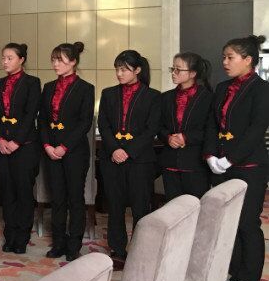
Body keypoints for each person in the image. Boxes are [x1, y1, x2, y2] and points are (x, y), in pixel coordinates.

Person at [204, 35, 268, 281]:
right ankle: (233, 272)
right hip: (221, 164)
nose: (225, 62)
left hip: (249, 165)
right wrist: (210, 155)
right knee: (227, 221)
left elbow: (256, 129)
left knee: (247, 222)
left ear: (248, 59)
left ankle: (248, 280)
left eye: (230, 57)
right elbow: (212, 124)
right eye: (224, 57)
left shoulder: (261, 89)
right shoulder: (222, 88)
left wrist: (230, 158)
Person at [97, 49, 161, 262]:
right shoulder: (108, 94)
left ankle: (140, 250)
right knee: (114, 206)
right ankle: (117, 249)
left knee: (140, 207)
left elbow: (151, 129)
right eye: (117, 69)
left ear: (138, 70)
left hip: (140, 161)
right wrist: (115, 149)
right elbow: (104, 124)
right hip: (112, 158)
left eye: (124, 69)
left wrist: (128, 151)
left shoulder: (153, 96)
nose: (119, 74)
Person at [38, 42, 94, 261]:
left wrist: (64, 147)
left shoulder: (85, 88)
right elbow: (43, 120)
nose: (55, 64)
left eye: (60, 60)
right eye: (53, 59)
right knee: (57, 198)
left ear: (73, 62)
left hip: (74, 152)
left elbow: (84, 123)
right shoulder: (48, 87)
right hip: (51, 151)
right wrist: (47, 145)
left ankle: (73, 245)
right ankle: (58, 243)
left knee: (75, 198)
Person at [0, 42, 41, 254]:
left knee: (23, 192)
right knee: (7, 192)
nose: (5, 62)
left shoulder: (32, 83)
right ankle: (9, 234)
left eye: (9, 58)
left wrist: (16, 141)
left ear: (21, 60)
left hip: (24, 147)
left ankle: (22, 236)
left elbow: (30, 115)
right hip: (2, 147)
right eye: (3, 58)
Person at [158, 52, 213, 200]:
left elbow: (210, 130)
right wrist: (168, 137)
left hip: (195, 163)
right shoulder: (165, 97)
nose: (173, 73)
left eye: (178, 69)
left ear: (193, 73)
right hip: (170, 162)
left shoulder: (208, 98)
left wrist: (186, 137)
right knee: (172, 206)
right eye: (173, 68)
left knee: (195, 205)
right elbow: (159, 126)